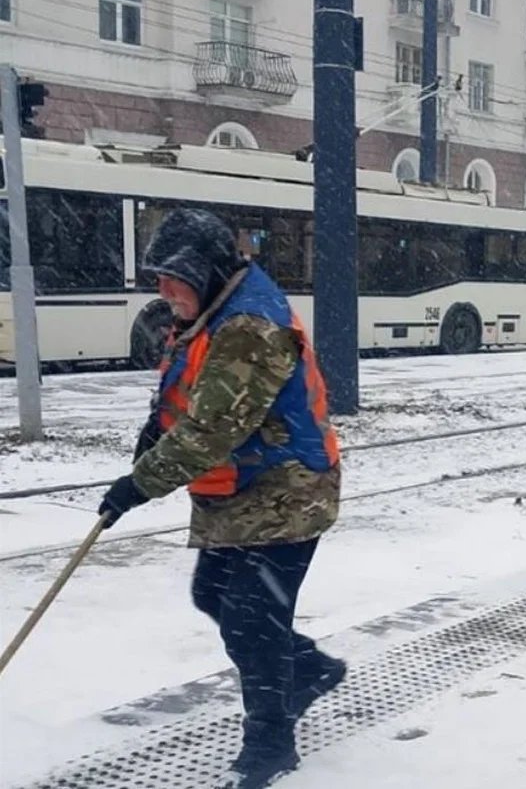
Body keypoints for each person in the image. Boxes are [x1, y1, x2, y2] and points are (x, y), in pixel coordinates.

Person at [98, 208, 347, 789]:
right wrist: (152, 440)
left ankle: (270, 743)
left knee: (250, 620)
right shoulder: (212, 307)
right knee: (212, 593)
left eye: (172, 276)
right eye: (157, 275)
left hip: (290, 489)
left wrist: (137, 485)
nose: (162, 290)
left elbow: (210, 432)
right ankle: (308, 669)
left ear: (205, 271)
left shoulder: (249, 330)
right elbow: (187, 392)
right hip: (241, 489)